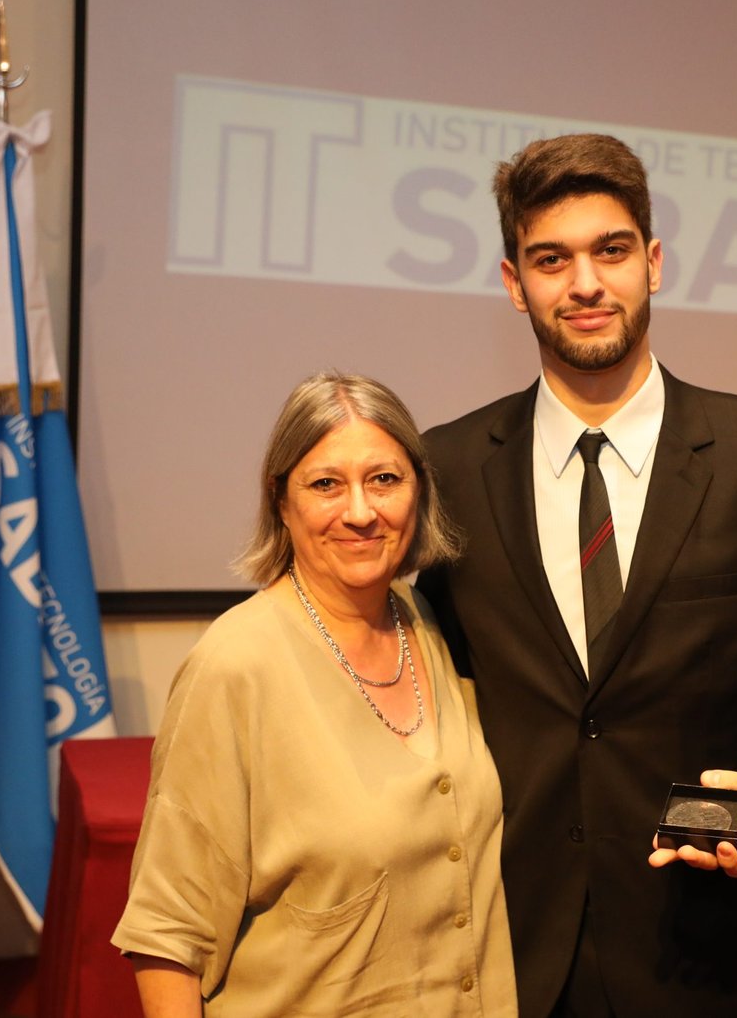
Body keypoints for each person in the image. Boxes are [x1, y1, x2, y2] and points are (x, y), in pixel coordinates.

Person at [415, 133, 737, 1018]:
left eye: (612, 250)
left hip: (705, 954)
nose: (586, 283)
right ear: (515, 283)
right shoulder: (444, 470)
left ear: (655, 262)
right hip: (505, 954)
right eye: (551, 259)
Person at [112, 373, 516, 1016]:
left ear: (419, 492)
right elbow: (169, 933)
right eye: (326, 484)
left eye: (384, 479)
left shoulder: (433, 625)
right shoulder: (233, 666)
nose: (360, 511)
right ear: (281, 501)